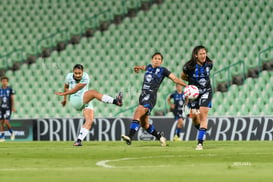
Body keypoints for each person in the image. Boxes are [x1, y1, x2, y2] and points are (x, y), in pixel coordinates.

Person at [121, 52, 187, 146]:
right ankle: (160, 137)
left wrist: (186, 85)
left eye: (159, 59)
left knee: (138, 111)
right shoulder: (149, 67)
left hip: (151, 97)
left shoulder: (163, 70)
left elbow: (175, 79)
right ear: (152, 60)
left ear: (161, 61)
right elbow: (143, 67)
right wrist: (137, 67)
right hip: (143, 96)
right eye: (155, 58)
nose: (157, 60)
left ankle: (130, 136)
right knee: (145, 124)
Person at [54, 64, 123, 146]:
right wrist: (65, 99)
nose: (77, 75)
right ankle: (116, 101)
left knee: (90, 120)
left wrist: (63, 93)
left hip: (85, 99)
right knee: (93, 92)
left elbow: (76, 89)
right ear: (73, 72)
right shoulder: (68, 76)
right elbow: (66, 86)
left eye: (79, 73)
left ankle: (79, 140)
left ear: (83, 72)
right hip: (75, 100)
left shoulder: (85, 77)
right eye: (75, 73)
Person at [181, 45, 213, 150]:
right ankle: (202, 130)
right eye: (201, 54)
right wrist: (191, 83)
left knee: (203, 114)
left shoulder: (209, 64)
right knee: (194, 117)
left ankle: (200, 143)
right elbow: (183, 76)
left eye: (204, 53)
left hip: (206, 91)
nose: (203, 55)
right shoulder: (189, 66)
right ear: (196, 55)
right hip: (194, 94)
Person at [0, 76, 16, 142]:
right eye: (3, 81)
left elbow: (12, 99)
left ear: (7, 82)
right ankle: (2, 137)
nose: (4, 82)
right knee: (1, 122)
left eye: (5, 81)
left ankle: (12, 133)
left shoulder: (10, 89)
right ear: (1, 82)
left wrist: (13, 107)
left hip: (8, 108)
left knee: (6, 121)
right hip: (1, 108)